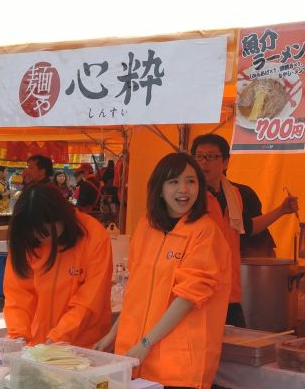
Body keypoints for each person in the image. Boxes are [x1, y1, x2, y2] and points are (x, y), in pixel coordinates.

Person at [94, 153, 231, 388]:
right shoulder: (146, 226)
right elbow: (135, 291)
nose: (183, 189)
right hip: (134, 355)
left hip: (178, 363)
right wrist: (112, 334)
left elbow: (187, 298)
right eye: (173, 181)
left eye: (191, 181)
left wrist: (146, 343)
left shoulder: (205, 232)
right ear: (159, 189)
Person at [190, 133, 298, 327]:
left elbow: (246, 228)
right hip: (199, 291)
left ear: (225, 162)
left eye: (211, 156)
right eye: (199, 156)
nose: (204, 162)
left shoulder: (235, 194)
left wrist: (281, 211)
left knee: (238, 342)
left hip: (230, 291)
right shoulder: (187, 196)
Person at [3, 184, 112, 348]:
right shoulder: (26, 240)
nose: (38, 237)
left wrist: (58, 337)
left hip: (84, 346)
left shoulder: (93, 236)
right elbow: (17, 296)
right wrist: (18, 336)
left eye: (44, 232)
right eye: (33, 233)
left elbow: (90, 300)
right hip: (40, 346)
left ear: (62, 217)